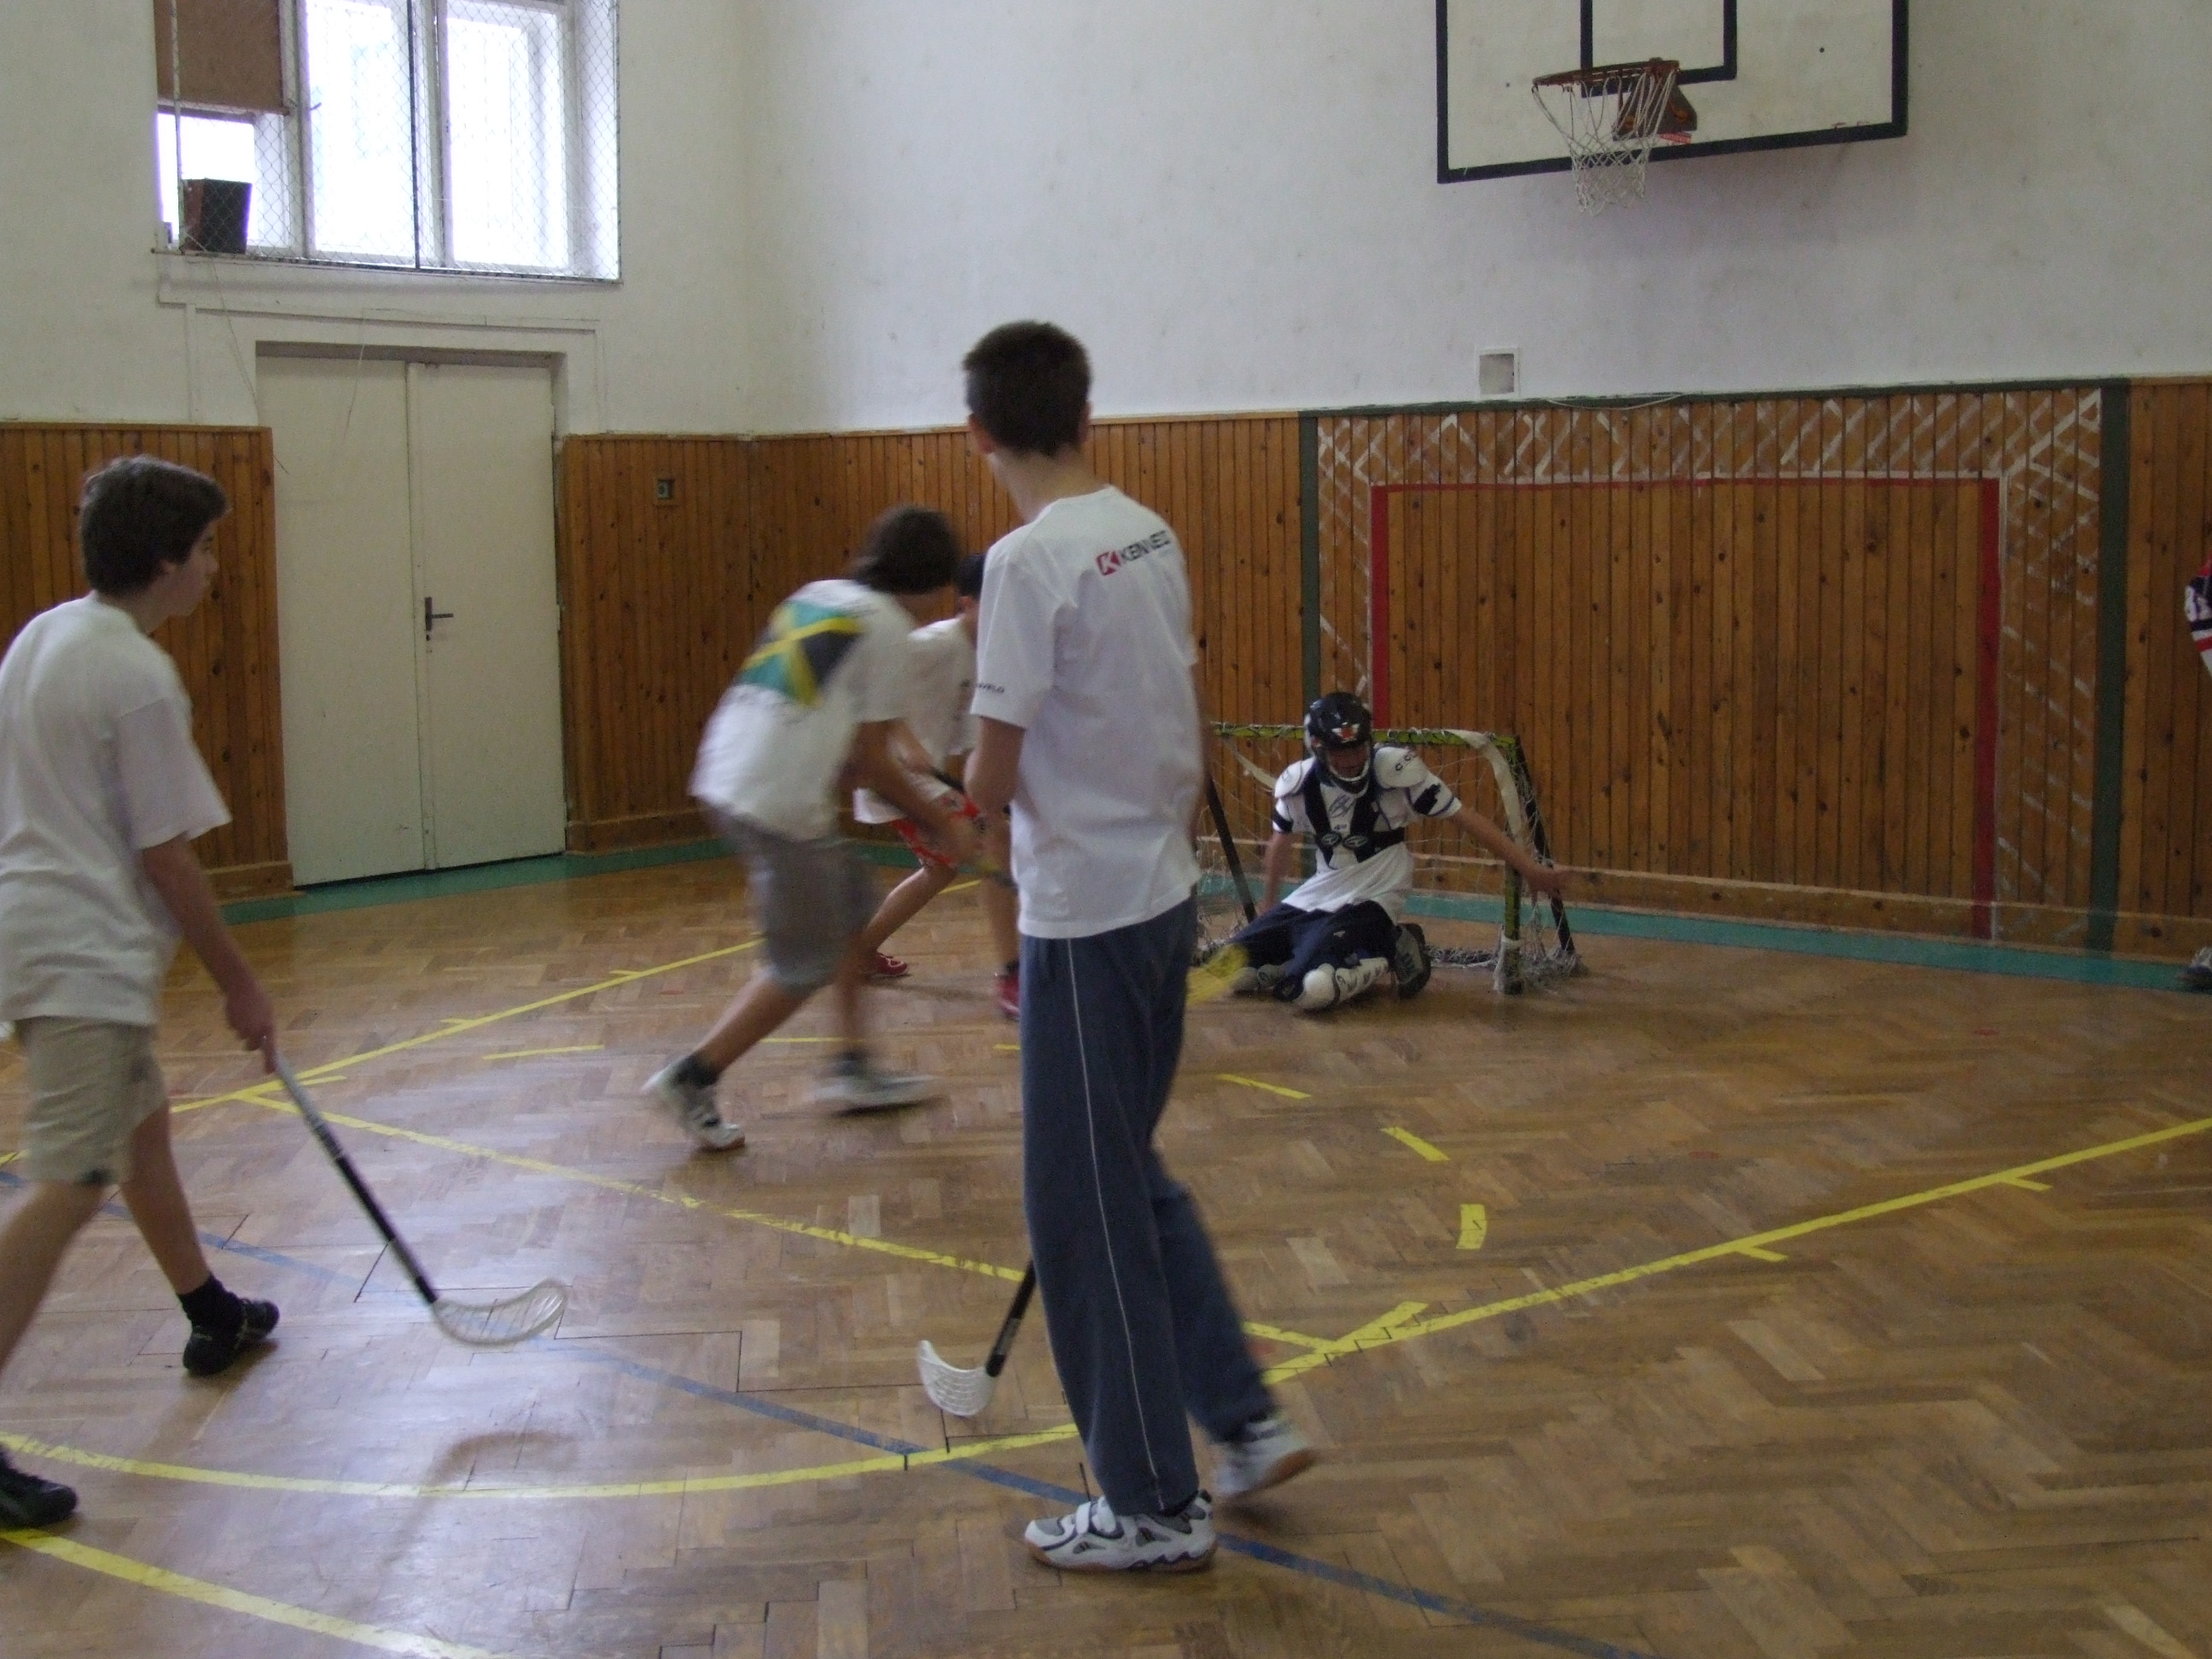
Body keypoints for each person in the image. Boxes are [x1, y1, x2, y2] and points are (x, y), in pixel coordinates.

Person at [963, 321, 1309, 1576]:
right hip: (1161, 899)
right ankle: (1244, 1422)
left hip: (1086, 918)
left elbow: (992, 775)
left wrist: (948, 793)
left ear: (979, 433)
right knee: (1127, 1181)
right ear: (1085, 414)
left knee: (1081, 1208)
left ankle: (1155, 1500)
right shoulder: (1147, 533)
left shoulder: (1024, 562)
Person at [0, 457, 282, 1528]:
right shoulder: (136, 673)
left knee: (142, 1129)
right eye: (206, 549)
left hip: (43, 934)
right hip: (79, 953)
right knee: (70, 1183)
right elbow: (168, 857)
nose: (214, 568)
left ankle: (210, 1310)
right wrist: (241, 984)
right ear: (166, 562)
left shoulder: (44, 636)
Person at [643, 505, 979, 1149]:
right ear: (933, 582)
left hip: (726, 771)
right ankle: (693, 1076)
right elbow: (874, 762)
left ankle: (853, 1065)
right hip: (779, 802)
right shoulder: (889, 628)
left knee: (850, 902)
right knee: (802, 964)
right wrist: (944, 822)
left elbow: (839, 740)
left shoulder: (820, 596)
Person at [1228, 691, 1567, 1011]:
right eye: (1340, 752)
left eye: (1358, 748)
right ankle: (1300, 959)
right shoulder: (1299, 785)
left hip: (1378, 890)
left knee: (1315, 991)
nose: (1351, 760)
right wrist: (1268, 905)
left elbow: (1469, 821)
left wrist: (1531, 870)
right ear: (1318, 748)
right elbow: (1279, 844)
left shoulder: (1396, 772)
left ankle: (1391, 944)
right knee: (1232, 967)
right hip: (1320, 891)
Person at [847, 551, 1023, 1018]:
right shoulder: (933, 644)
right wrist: (904, 738)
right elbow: (870, 679)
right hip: (893, 776)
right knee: (992, 837)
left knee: (941, 870)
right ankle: (1013, 973)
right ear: (967, 603)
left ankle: (858, 950)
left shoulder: (982, 659)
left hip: (927, 782)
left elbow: (970, 742)